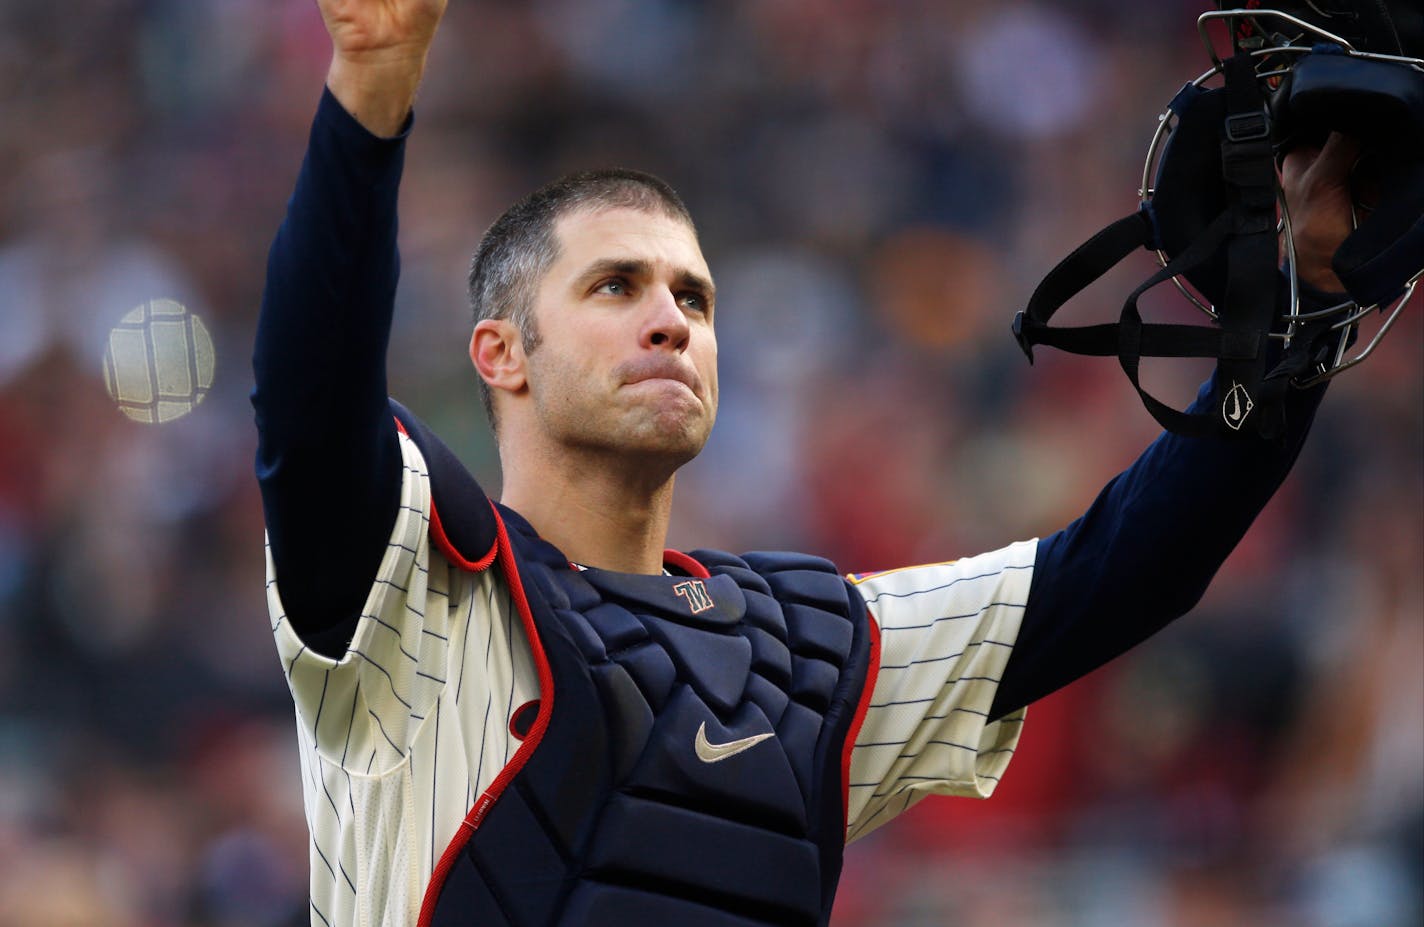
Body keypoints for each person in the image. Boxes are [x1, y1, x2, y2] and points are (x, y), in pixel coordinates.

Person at [251, 2, 1360, 925]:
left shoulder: (804, 651)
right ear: (499, 354)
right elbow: (309, 407)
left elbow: (1118, 573)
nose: (669, 321)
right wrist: (372, 88)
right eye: (613, 287)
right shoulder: (418, 598)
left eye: (693, 297)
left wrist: (1296, 316)